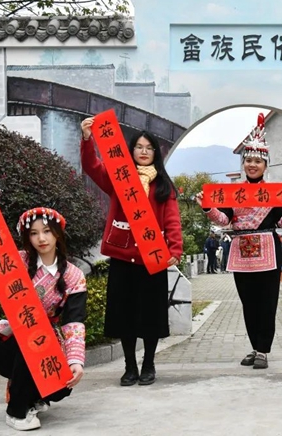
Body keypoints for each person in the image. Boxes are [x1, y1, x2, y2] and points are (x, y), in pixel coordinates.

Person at [0, 191, 86, 431]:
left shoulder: (74, 275)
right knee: (29, 339)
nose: (41, 238)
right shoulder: (15, 261)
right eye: (34, 233)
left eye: (47, 231)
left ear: (57, 234)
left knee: (62, 386)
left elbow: (74, 321)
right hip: (12, 343)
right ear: (27, 237)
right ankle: (17, 412)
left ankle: (34, 396)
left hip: (48, 342)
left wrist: (75, 360)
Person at [195, 113, 282, 369]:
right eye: (248, 160)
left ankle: (264, 350)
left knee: (267, 304)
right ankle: (255, 346)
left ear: (265, 165)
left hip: (268, 252)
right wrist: (208, 208)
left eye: (257, 161)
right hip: (241, 253)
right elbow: (224, 220)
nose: (252, 165)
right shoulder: (232, 193)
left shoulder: (275, 194)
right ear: (243, 163)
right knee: (248, 303)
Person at [80, 117, 183, 387]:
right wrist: (88, 139)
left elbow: (172, 220)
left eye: (149, 147)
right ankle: (129, 366)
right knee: (124, 315)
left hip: (153, 258)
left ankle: (148, 364)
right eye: (139, 147)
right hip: (123, 256)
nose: (144, 151)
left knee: (151, 315)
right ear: (131, 150)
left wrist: (175, 248)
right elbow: (92, 167)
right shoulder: (119, 178)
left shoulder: (163, 185)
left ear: (156, 153)